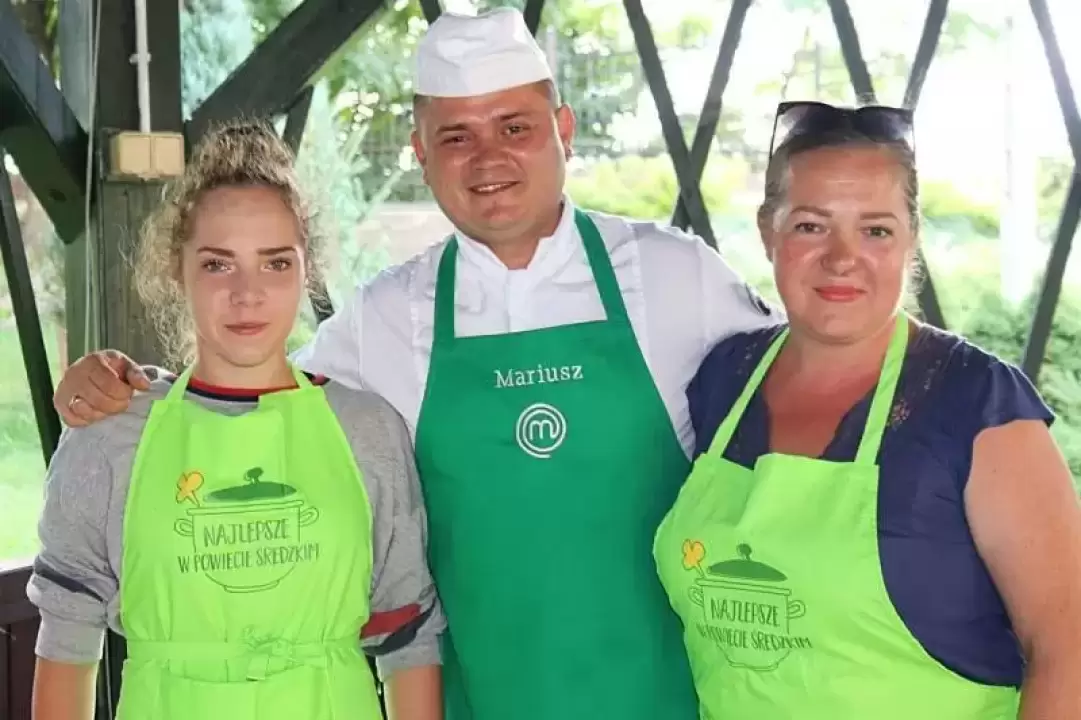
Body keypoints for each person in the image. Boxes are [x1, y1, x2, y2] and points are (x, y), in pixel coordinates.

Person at [50, 9, 781, 720]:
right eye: (455, 136)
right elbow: (246, 390)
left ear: (563, 130)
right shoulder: (389, 315)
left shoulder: (676, 276)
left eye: (515, 127)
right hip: (474, 701)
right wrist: (123, 388)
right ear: (421, 154)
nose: (487, 158)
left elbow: (808, 386)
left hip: (663, 699)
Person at [654, 100, 1081, 719]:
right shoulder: (723, 380)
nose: (842, 258)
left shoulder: (975, 404)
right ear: (768, 231)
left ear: (911, 240)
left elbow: (1067, 646)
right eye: (811, 226)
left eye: (876, 230)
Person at [28, 122, 444, 720]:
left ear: (306, 270)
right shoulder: (111, 431)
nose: (248, 293)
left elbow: (408, 639)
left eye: (275, 263)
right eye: (219, 265)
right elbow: (67, 639)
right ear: (177, 269)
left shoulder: (368, 430)